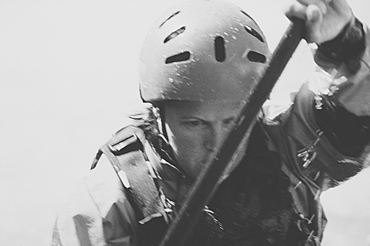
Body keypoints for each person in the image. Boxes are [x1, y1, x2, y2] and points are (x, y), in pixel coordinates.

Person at [52, 0, 370, 245]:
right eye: (194, 124)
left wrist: (346, 42)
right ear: (158, 115)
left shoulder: (288, 147)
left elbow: (358, 110)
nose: (217, 142)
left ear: (256, 112)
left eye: (233, 121)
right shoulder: (108, 203)